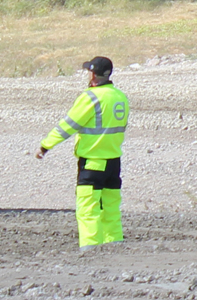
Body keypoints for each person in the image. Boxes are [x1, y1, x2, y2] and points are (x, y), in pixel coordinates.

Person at [34, 56, 128, 248]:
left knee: (88, 210)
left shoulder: (91, 97)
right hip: (114, 162)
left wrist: (45, 145)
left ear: (93, 74)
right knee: (110, 208)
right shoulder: (120, 96)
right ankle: (115, 246)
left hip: (93, 162)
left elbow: (67, 126)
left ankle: (90, 249)